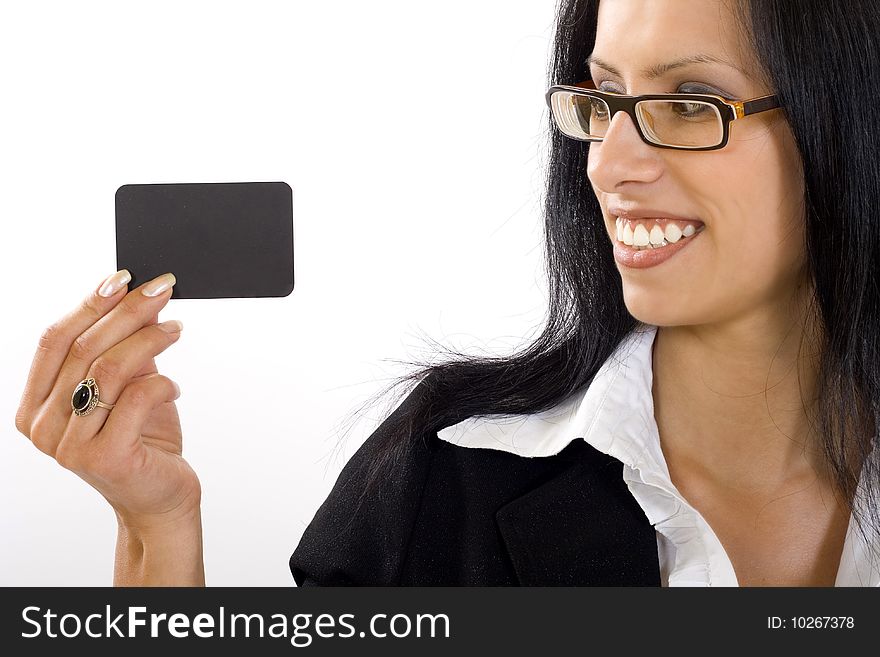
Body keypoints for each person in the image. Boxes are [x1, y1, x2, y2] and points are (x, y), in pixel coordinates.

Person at [14, 0, 880, 586]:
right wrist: (157, 529)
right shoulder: (437, 485)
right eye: (604, 99)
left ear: (844, 117)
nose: (609, 164)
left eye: (692, 101)